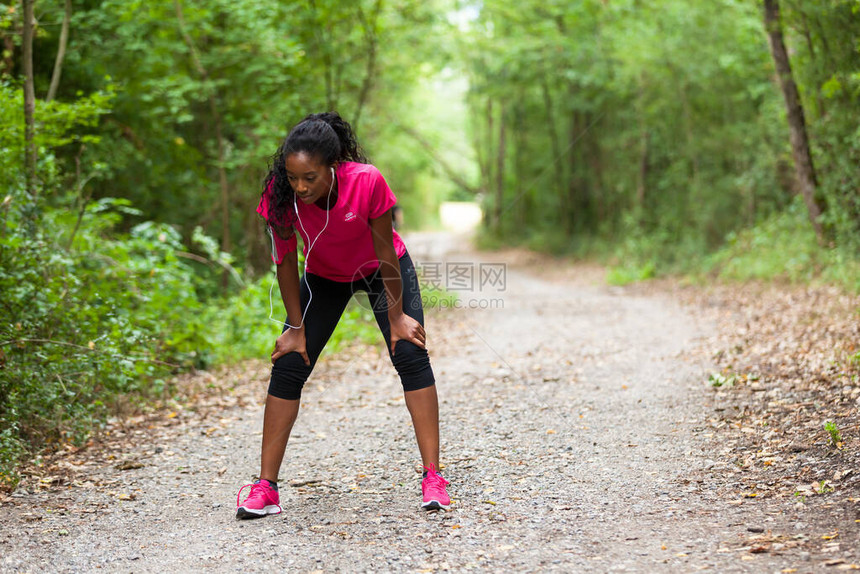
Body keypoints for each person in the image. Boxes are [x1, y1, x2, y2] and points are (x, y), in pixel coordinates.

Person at [235, 112, 450, 518]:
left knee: (409, 353)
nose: (300, 186)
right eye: (293, 177)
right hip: (324, 276)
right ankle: (265, 487)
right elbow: (285, 261)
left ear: (332, 168)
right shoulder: (281, 195)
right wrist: (296, 328)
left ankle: (433, 476)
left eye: (309, 178)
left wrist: (398, 318)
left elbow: (386, 251)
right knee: (288, 364)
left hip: (378, 270)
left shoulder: (366, 181)